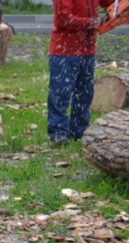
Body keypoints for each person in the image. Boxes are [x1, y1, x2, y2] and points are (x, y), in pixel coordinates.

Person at [47, 0, 113, 145]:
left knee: (85, 93)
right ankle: (58, 132)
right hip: (64, 51)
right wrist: (93, 22)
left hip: (87, 50)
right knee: (60, 93)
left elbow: (110, 3)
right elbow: (62, 18)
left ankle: (80, 129)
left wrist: (125, 6)